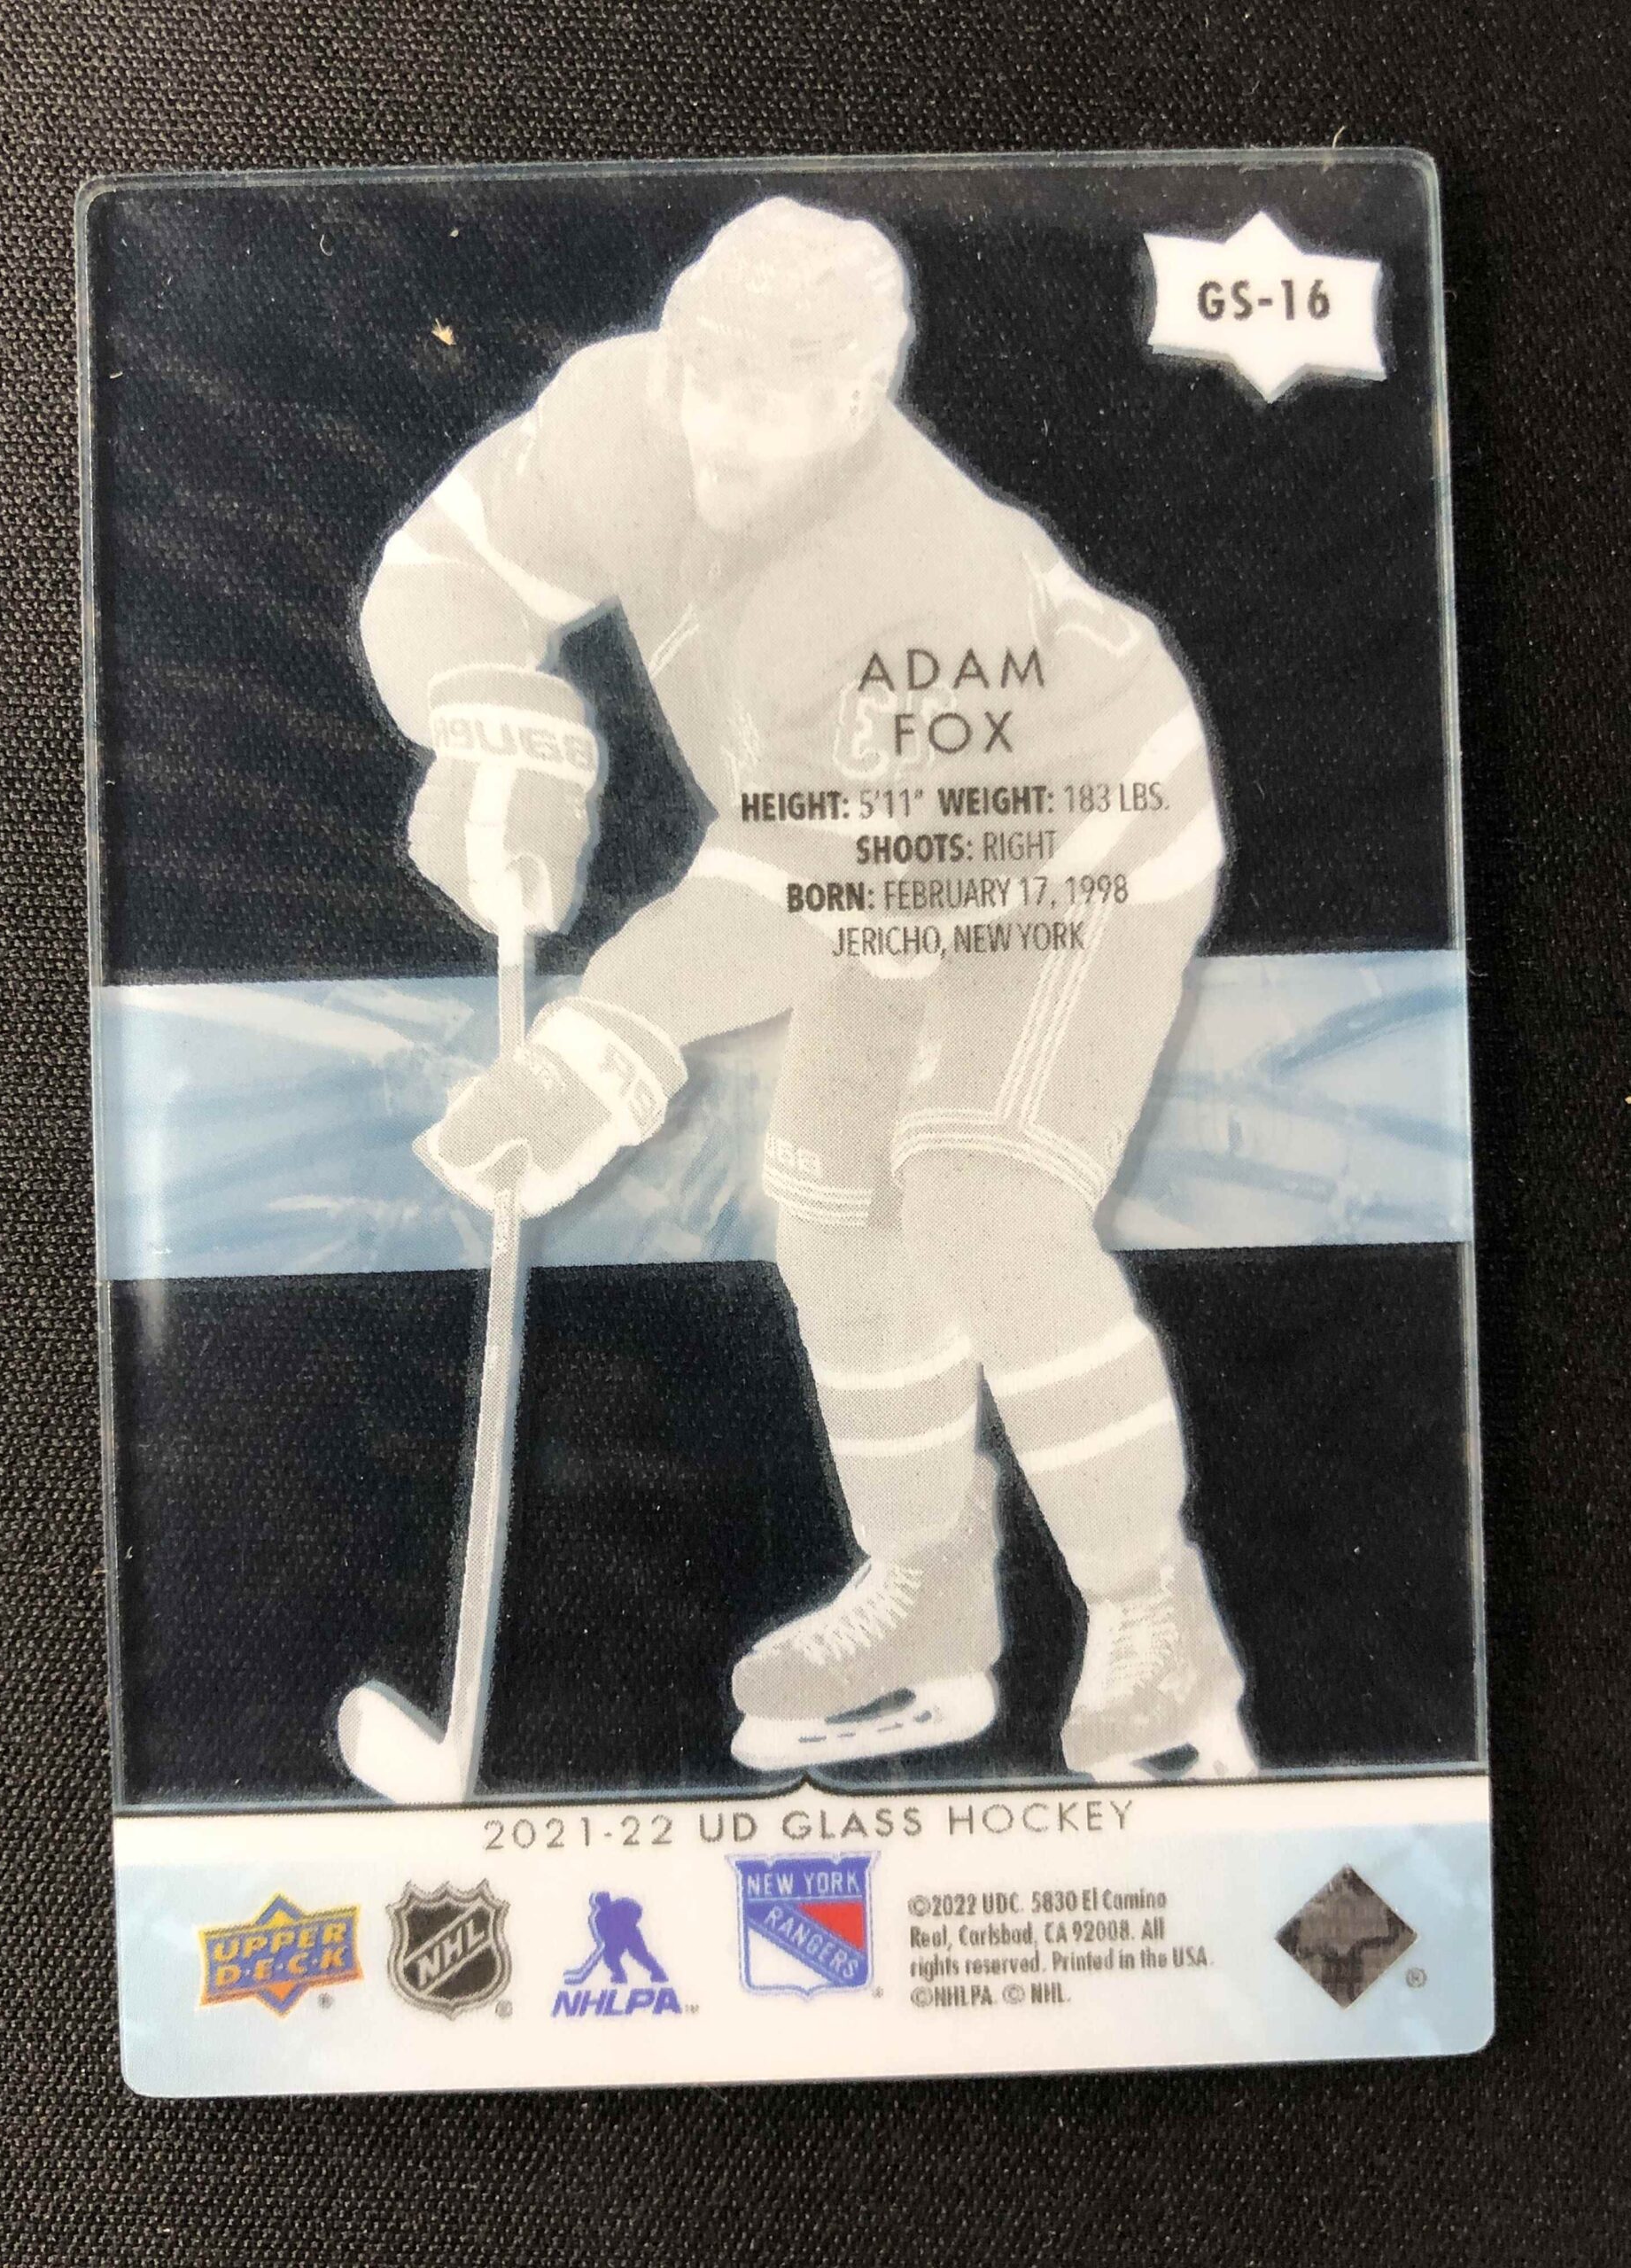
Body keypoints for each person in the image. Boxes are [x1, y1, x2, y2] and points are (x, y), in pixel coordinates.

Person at [358, 195, 1254, 1783]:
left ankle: (1150, 1616)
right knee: (833, 1206)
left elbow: (802, 880)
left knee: (977, 1196)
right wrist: (490, 710)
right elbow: (439, 568)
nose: (718, 425)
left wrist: (605, 1039)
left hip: (1071, 837)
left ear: (857, 396)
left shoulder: (923, 570)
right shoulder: (619, 414)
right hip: (860, 861)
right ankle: (930, 1593)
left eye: (765, 398)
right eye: (704, 374)